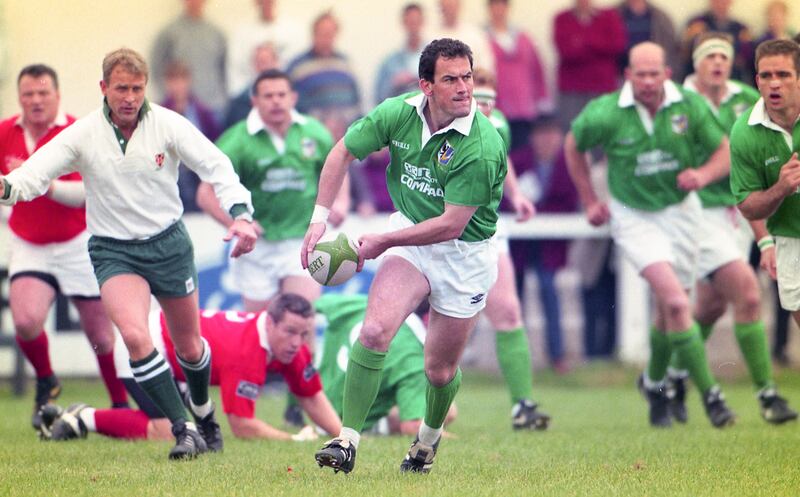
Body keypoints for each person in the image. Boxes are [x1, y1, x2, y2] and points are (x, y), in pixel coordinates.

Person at [0, 48, 258, 460]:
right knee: (135, 337)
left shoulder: (170, 125)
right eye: (121, 88)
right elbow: (35, 171)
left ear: (145, 88)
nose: (129, 97)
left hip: (169, 244)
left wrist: (241, 214)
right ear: (103, 88)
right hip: (113, 250)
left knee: (189, 346)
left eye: (137, 88)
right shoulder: (83, 133)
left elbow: (216, 166)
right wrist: (9, 187)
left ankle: (204, 414)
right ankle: (184, 429)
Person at [301, 38, 507, 474]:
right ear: (426, 86)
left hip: (463, 254)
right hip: (410, 236)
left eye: (467, 77)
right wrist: (319, 219)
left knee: (438, 370)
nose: (464, 88)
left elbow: (451, 225)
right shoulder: (399, 112)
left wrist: (383, 241)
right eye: (450, 79)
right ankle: (347, 439)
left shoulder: (481, 145)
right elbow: (342, 151)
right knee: (374, 330)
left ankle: (427, 444)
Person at [565, 42, 735, 429]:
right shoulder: (606, 112)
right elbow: (573, 146)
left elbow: (724, 151)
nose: (646, 81)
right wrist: (591, 200)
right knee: (677, 302)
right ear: (628, 75)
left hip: (681, 210)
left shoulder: (688, 105)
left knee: (668, 310)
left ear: (666, 74)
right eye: (639, 74)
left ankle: (655, 385)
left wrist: (703, 176)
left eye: (653, 73)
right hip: (634, 215)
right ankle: (712, 395)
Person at [671, 33, 797, 424]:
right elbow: (734, 165)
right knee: (746, 291)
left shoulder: (744, 95)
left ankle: (673, 378)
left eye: (724, 56)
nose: (717, 63)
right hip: (699, 215)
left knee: (710, 304)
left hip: (741, 217)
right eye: (709, 56)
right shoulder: (677, 103)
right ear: (696, 63)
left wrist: (764, 238)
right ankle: (767, 394)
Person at [0, 64, 128, 428]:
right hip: (30, 244)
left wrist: (42, 184)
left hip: (77, 243)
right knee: (25, 320)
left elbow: (91, 193)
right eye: (28, 94)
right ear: (20, 98)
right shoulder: (5, 132)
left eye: (43, 93)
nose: (36, 100)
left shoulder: (78, 131)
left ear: (57, 95)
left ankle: (119, 405)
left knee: (101, 336)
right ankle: (46, 379)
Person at [39, 294, 342, 442]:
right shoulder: (247, 350)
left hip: (177, 362)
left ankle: (77, 417)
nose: (296, 342)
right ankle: (83, 418)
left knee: (188, 429)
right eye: (290, 331)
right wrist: (293, 440)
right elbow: (242, 426)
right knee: (170, 430)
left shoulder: (291, 345)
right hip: (147, 347)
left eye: (304, 334)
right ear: (270, 321)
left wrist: (344, 436)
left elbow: (311, 395)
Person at [197, 69, 337, 312]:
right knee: (263, 327)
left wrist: (341, 202)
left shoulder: (314, 132)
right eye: (268, 95)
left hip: (302, 240)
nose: (276, 101)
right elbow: (205, 194)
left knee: (301, 319)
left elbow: (336, 169)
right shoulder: (237, 140)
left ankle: (308, 353)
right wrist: (237, 223)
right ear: (254, 101)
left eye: (281, 94)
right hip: (256, 248)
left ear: (293, 98)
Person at [472, 67, 552, 424]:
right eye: (479, 101)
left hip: (486, 231)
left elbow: (502, 164)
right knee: (438, 329)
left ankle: (523, 405)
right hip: (440, 236)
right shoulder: (439, 124)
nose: (486, 109)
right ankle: (411, 406)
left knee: (508, 312)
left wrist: (516, 195)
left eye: (491, 101)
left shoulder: (498, 125)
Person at [730, 39, 800, 406]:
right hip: (791, 237)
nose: (775, 84)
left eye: (784, 75)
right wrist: (781, 188)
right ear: (756, 80)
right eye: (767, 76)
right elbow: (748, 206)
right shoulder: (745, 133)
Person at [315, 293, 457, 435]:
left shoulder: (368, 305)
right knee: (447, 410)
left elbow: (315, 305)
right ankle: (374, 427)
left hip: (314, 403)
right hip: (338, 425)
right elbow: (412, 426)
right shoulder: (414, 358)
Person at [506, 114, 580, 372]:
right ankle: (518, 356)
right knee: (515, 297)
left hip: (549, 244)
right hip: (519, 242)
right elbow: (503, 197)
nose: (547, 141)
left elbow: (571, 202)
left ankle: (556, 355)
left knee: (549, 291)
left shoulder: (568, 163)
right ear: (533, 137)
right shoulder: (518, 161)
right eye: (541, 134)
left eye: (551, 134)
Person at [486, 0, 552, 151]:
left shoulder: (523, 38)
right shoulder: (482, 38)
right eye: (495, 5)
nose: (498, 10)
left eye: (502, 5)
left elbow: (537, 69)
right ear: (489, 8)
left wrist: (542, 99)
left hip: (524, 107)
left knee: (523, 153)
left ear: (507, 8)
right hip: (496, 107)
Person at [285, 11, 361, 141]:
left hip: (345, 136)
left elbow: (356, 102)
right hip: (309, 137)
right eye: (322, 33)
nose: (326, 38)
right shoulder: (297, 66)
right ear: (313, 34)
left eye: (330, 34)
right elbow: (290, 106)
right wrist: (322, 123)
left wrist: (343, 123)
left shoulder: (345, 63)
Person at [553, 0, 627, 130]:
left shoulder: (609, 16)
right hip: (572, 90)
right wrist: (600, 45)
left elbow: (618, 45)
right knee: (573, 132)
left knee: (603, 132)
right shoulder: (562, 18)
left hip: (603, 87)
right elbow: (566, 52)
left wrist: (581, 40)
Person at [159, 60, 222, 213]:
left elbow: (215, 142)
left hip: (198, 174)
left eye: (182, 80)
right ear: (167, 83)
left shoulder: (203, 113)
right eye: (173, 80)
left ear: (189, 81)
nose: (178, 85)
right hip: (173, 175)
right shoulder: (159, 113)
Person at [150, 0, 228, 114]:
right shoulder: (169, 33)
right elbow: (157, 68)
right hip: (181, 110)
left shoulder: (216, 34)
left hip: (214, 106)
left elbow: (224, 70)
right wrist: (169, 99)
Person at [226, 0, 305, 98]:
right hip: (250, 97)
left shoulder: (293, 30)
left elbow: (299, 67)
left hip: (285, 96)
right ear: (256, 2)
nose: (266, 3)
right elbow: (235, 70)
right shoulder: (242, 33)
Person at [680, 0, 754, 83]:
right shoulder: (697, 23)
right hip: (699, 77)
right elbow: (684, 53)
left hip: (732, 78)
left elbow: (746, 59)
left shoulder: (740, 28)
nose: (721, 3)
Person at [374, 3, 427, 105]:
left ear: (422, 22)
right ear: (403, 22)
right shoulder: (390, 62)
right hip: (401, 116)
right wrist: (394, 83)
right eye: (410, 21)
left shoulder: (436, 58)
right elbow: (379, 97)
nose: (413, 26)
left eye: (416, 21)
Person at [222, 42, 280, 131]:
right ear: (253, 64)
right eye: (261, 62)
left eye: (268, 61)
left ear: (277, 62)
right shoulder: (239, 103)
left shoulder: (293, 94)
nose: (265, 67)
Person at [617, 0, 679, 74]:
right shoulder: (614, 14)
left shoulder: (661, 17)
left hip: (652, 71)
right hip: (621, 71)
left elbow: (670, 49)